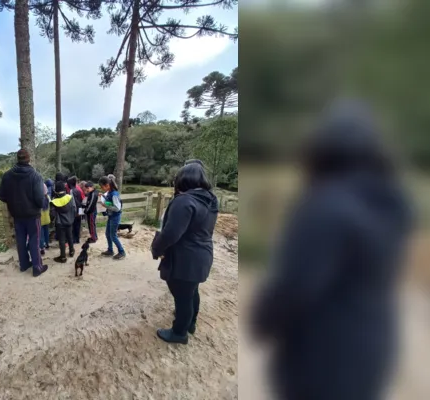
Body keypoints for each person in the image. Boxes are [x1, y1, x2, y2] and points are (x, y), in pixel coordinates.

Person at [249, 100, 412, 400]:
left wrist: (263, 320)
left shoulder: (325, 206)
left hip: (324, 353)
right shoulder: (394, 203)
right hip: (373, 343)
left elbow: (296, 284)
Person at [151, 163, 218, 344]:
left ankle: (179, 333)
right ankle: (190, 324)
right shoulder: (209, 200)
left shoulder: (184, 201)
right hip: (202, 254)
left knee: (182, 296)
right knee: (191, 292)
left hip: (184, 258)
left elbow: (171, 234)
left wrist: (156, 249)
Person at [0, 149, 48, 277]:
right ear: (29, 159)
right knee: (34, 240)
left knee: (20, 239)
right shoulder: (35, 176)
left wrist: (12, 202)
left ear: (17, 159)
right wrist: (42, 205)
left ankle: (24, 264)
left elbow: (1, 195)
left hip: (16, 214)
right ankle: (37, 267)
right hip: (32, 215)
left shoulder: (7, 175)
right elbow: (39, 198)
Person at [98, 176, 126, 260]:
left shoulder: (114, 194)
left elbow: (117, 208)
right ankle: (110, 250)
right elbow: (110, 202)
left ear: (107, 185)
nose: (102, 188)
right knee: (107, 234)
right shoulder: (109, 192)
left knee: (113, 235)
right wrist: (103, 196)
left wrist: (105, 205)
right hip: (111, 216)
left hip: (115, 217)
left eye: (102, 187)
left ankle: (122, 252)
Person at [50, 181, 76, 263]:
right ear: (64, 189)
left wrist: (51, 222)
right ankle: (71, 251)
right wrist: (71, 218)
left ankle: (63, 257)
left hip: (60, 223)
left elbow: (52, 214)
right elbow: (74, 209)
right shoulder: (70, 197)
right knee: (70, 236)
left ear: (56, 190)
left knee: (61, 240)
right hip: (69, 221)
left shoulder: (54, 201)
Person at [67, 176, 85, 243]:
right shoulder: (78, 190)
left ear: (69, 184)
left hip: (75, 210)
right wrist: (80, 212)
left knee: (74, 225)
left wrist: (75, 212)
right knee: (78, 225)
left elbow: (74, 202)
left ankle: (74, 239)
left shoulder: (71, 191)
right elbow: (81, 201)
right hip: (80, 209)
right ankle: (77, 239)